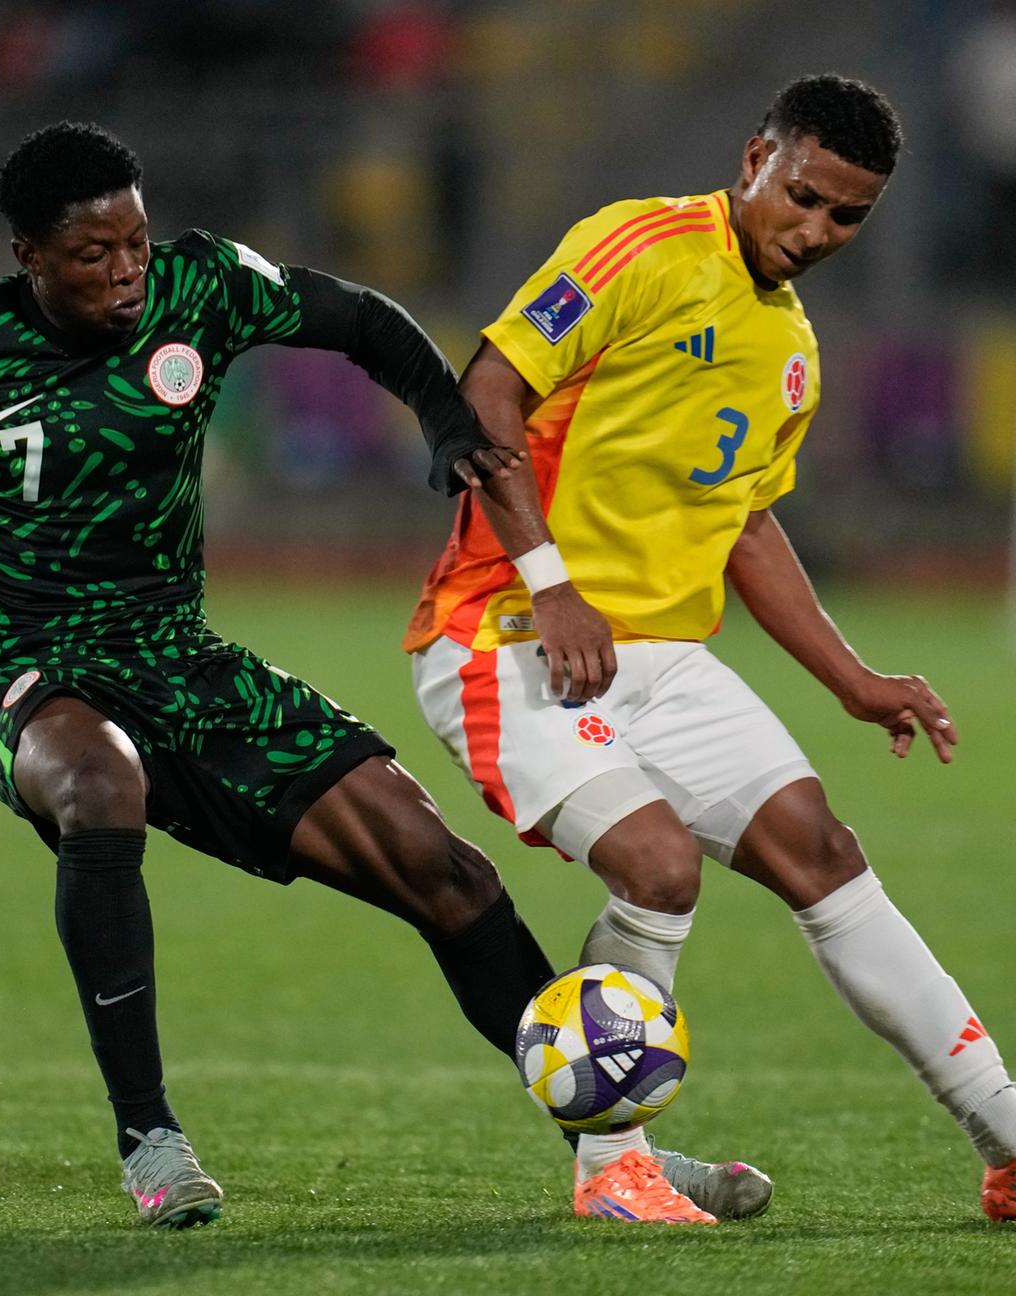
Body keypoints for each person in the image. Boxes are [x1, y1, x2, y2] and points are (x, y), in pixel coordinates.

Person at [0, 120, 567, 1232]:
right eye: (94, 255)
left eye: (135, 243)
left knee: (449, 875)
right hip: (33, 666)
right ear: (28, 256)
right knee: (102, 790)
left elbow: (359, 318)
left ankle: (615, 1146)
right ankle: (150, 1136)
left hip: (184, 660)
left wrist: (439, 411)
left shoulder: (204, 286)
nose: (127, 272)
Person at [406, 73, 1016, 1225]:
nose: (818, 231)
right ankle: (613, 1173)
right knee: (658, 865)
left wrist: (854, 679)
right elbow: (484, 393)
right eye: (805, 196)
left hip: (663, 657)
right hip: (506, 636)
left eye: (848, 217)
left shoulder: (788, 347)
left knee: (821, 850)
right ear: (754, 158)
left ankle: (1007, 1138)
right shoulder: (634, 245)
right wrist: (556, 587)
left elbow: (742, 521)